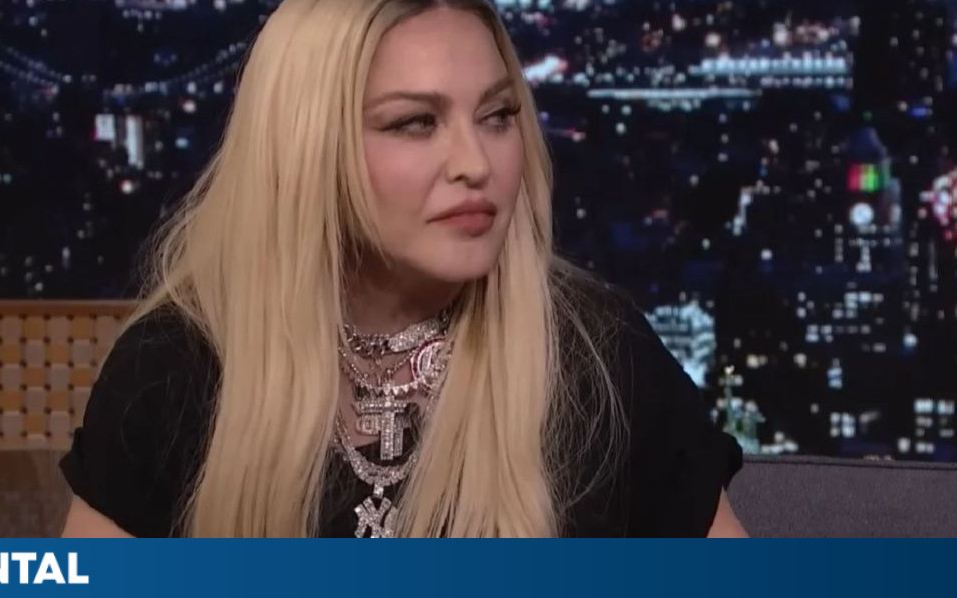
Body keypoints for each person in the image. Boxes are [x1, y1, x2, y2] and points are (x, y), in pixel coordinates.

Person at [59, 0, 747, 538]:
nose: (475, 164)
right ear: (306, 149)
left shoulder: (601, 354)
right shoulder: (176, 367)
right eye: (416, 123)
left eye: (498, 115)